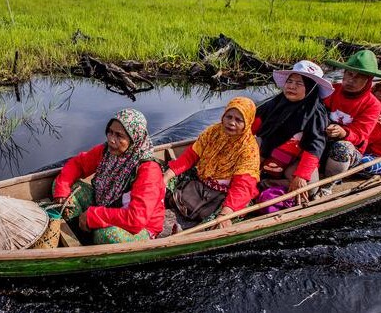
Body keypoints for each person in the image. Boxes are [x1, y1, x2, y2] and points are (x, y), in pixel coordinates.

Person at [52, 108, 165, 244]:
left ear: (134, 139)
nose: (111, 139)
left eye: (119, 135)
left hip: (140, 228)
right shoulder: (107, 152)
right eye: (110, 132)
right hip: (107, 207)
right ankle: (80, 235)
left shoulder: (148, 170)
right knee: (60, 187)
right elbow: (77, 165)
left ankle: (90, 235)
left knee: (105, 235)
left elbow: (136, 219)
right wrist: (62, 189)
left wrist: (93, 215)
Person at [163, 97, 260, 229]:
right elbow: (191, 156)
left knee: (217, 222)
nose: (231, 123)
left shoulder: (248, 149)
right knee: (160, 176)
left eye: (239, 120)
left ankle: (190, 233)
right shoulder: (213, 132)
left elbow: (243, 185)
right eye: (229, 117)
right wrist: (167, 176)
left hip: (226, 195)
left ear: (247, 123)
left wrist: (226, 213)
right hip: (202, 181)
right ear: (223, 116)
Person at [253, 60, 333, 201]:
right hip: (267, 153)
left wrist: (301, 175)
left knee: (309, 186)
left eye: (299, 84)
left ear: (310, 88)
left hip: (295, 160)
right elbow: (252, 124)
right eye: (290, 82)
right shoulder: (275, 103)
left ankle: (267, 184)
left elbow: (315, 147)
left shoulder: (316, 113)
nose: (292, 87)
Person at [322, 50, 381, 179]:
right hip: (323, 140)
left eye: (358, 77)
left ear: (368, 80)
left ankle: (329, 184)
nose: (350, 80)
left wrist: (343, 133)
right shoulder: (331, 90)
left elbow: (360, 135)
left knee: (342, 148)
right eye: (349, 74)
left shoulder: (373, 104)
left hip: (351, 148)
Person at [359, 82, 381, 177]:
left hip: (377, 156)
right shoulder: (369, 106)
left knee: (363, 164)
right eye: (380, 91)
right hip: (365, 151)